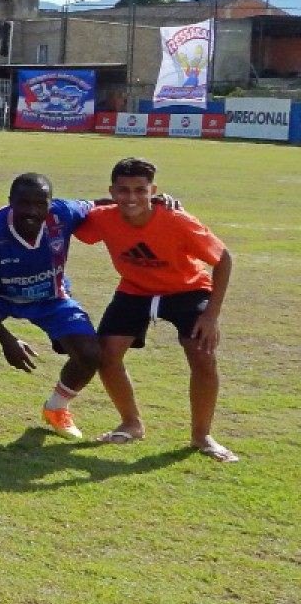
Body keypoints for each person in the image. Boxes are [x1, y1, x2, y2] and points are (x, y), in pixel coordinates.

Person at [74, 158, 235, 460]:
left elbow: (223, 259)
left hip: (187, 289)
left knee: (203, 356)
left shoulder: (177, 219)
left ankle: (202, 436)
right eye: (123, 190)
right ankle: (131, 423)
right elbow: (72, 220)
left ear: (154, 190)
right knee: (106, 356)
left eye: (140, 190)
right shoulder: (103, 217)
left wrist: (211, 316)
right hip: (134, 290)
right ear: (112, 191)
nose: (131, 198)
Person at [0, 173, 102, 441]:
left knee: (90, 353)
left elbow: (98, 204)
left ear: (50, 203)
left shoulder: (64, 213)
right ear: (10, 202)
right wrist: (6, 339)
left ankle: (56, 408)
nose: (32, 211)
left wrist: (152, 202)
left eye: (40, 204)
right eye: (24, 203)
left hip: (50, 297)